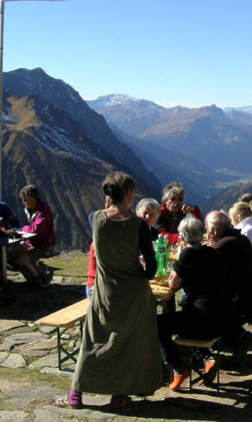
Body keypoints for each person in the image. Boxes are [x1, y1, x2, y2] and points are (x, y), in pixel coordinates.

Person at [59, 172, 161, 409]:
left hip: (103, 291)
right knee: (128, 343)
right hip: (134, 293)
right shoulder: (139, 226)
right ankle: (119, 394)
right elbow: (151, 268)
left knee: (94, 340)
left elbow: (102, 216)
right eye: (132, 192)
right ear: (127, 194)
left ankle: (76, 393)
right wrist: (142, 271)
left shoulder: (94, 218)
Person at [159, 215, 226, 391]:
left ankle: (178, 368)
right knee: (183, 312)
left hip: (202, 321)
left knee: (158, 324)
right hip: (220, 317)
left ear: (181, 237)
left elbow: (173, 284)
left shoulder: (188, 254)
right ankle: (207, 359)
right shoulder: (212, 251)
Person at [206, 210, 252, 355]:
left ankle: (228, 339)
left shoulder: (222, 247)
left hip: (241, 302)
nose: (207, 233)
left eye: (208, 229)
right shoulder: (241, 238)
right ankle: (235, 335)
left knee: (201, 298)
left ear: (215, 231)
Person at [7, 185, 55, 288]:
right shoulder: (28, 210)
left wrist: (22, 229)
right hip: (30, 242)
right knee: (9, 256)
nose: (27, 203)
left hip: (44, 244)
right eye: (25, 200)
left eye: (29, 200)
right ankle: (32, 279)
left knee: (21, 259)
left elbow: (36, 228)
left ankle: (40, 280)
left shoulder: (43, 210)